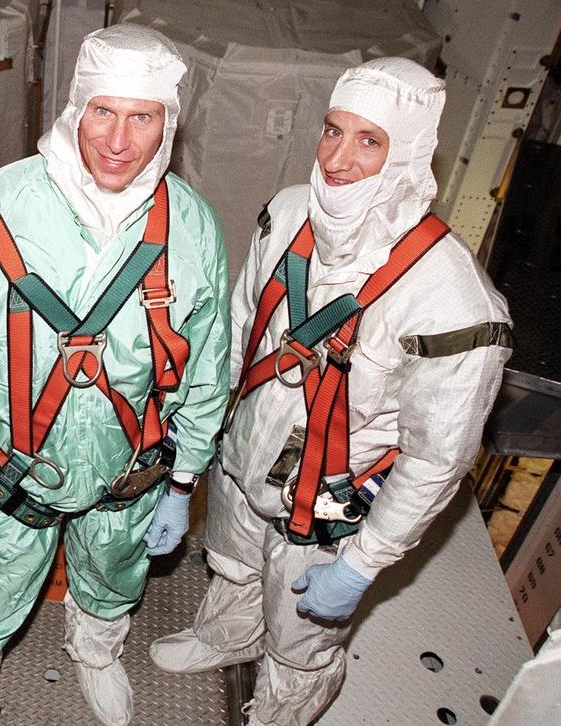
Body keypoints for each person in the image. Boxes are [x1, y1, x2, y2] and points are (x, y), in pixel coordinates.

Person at [150, 58, 513, 725]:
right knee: (232, 560)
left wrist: (363, 564)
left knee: (301, 636)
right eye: (332, 130)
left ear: (405, 153)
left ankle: (283, 710)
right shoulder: (289, 214)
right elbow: (236, 332)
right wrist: (194, 437)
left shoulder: (451, 305)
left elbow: (437, 460)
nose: (338, 159)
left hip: (328, 501)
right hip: (246, 448)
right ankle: (227, 634)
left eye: (368, 140)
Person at [0, 24, 230, 726]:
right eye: (103, 112)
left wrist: (183, 482)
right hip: (8, 473)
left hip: (128, 473)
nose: (119, 142)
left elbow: (206, 366)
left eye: (142, 117)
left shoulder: (193, 229)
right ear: (74, 110)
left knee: (112, 580)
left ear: (167, 124)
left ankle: (96, 652)